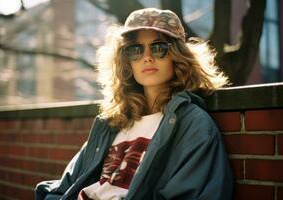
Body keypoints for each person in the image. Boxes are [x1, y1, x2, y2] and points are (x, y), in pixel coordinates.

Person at [35, 8, 233, 200]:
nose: (147, 57)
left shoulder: (194, 125)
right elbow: (66, 185)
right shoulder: (111, 123)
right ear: (126, 61)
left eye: (158, 47)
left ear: (178, 56)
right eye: (135, 50)